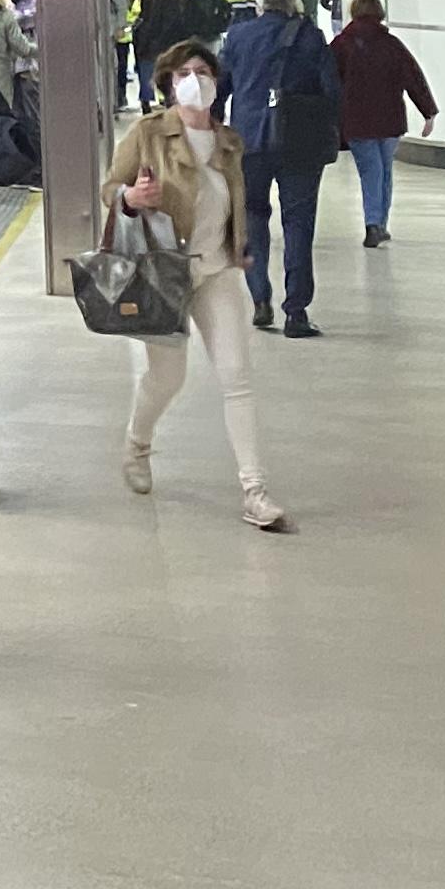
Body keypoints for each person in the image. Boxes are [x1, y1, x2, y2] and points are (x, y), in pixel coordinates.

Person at [102, 40, 288, 533]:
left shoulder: (228, 142)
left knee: (236, 377)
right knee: (168, 377)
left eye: (203, 70)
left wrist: (241, 247)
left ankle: (255, 490)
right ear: (168, 81)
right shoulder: (148, 133)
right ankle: (137, 445)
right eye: (185, 71)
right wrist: (130, 196)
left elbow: (234, 202)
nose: (195, 78)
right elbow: (109, 188)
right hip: (164, 272)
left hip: (216, 271)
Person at [215, 0, 344, 335]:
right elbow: (332, 92)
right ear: (294, 3)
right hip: (299, 144)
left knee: (253, 218)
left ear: (258, 4)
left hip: (249, 143)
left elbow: (219, 89)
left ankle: (259, 299)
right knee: (298, 224)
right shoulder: (310, 37)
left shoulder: (238, 37)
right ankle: (296, 311)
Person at [329, 0, 438, 248]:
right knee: (384, 169)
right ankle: (379, 223)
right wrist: (428, 111)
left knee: (371, 171)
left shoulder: (341, 45)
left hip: (356, 121)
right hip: (390, 120)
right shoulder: (392, 44)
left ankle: (374, 224)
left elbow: (328, 83)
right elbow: (414, 78)